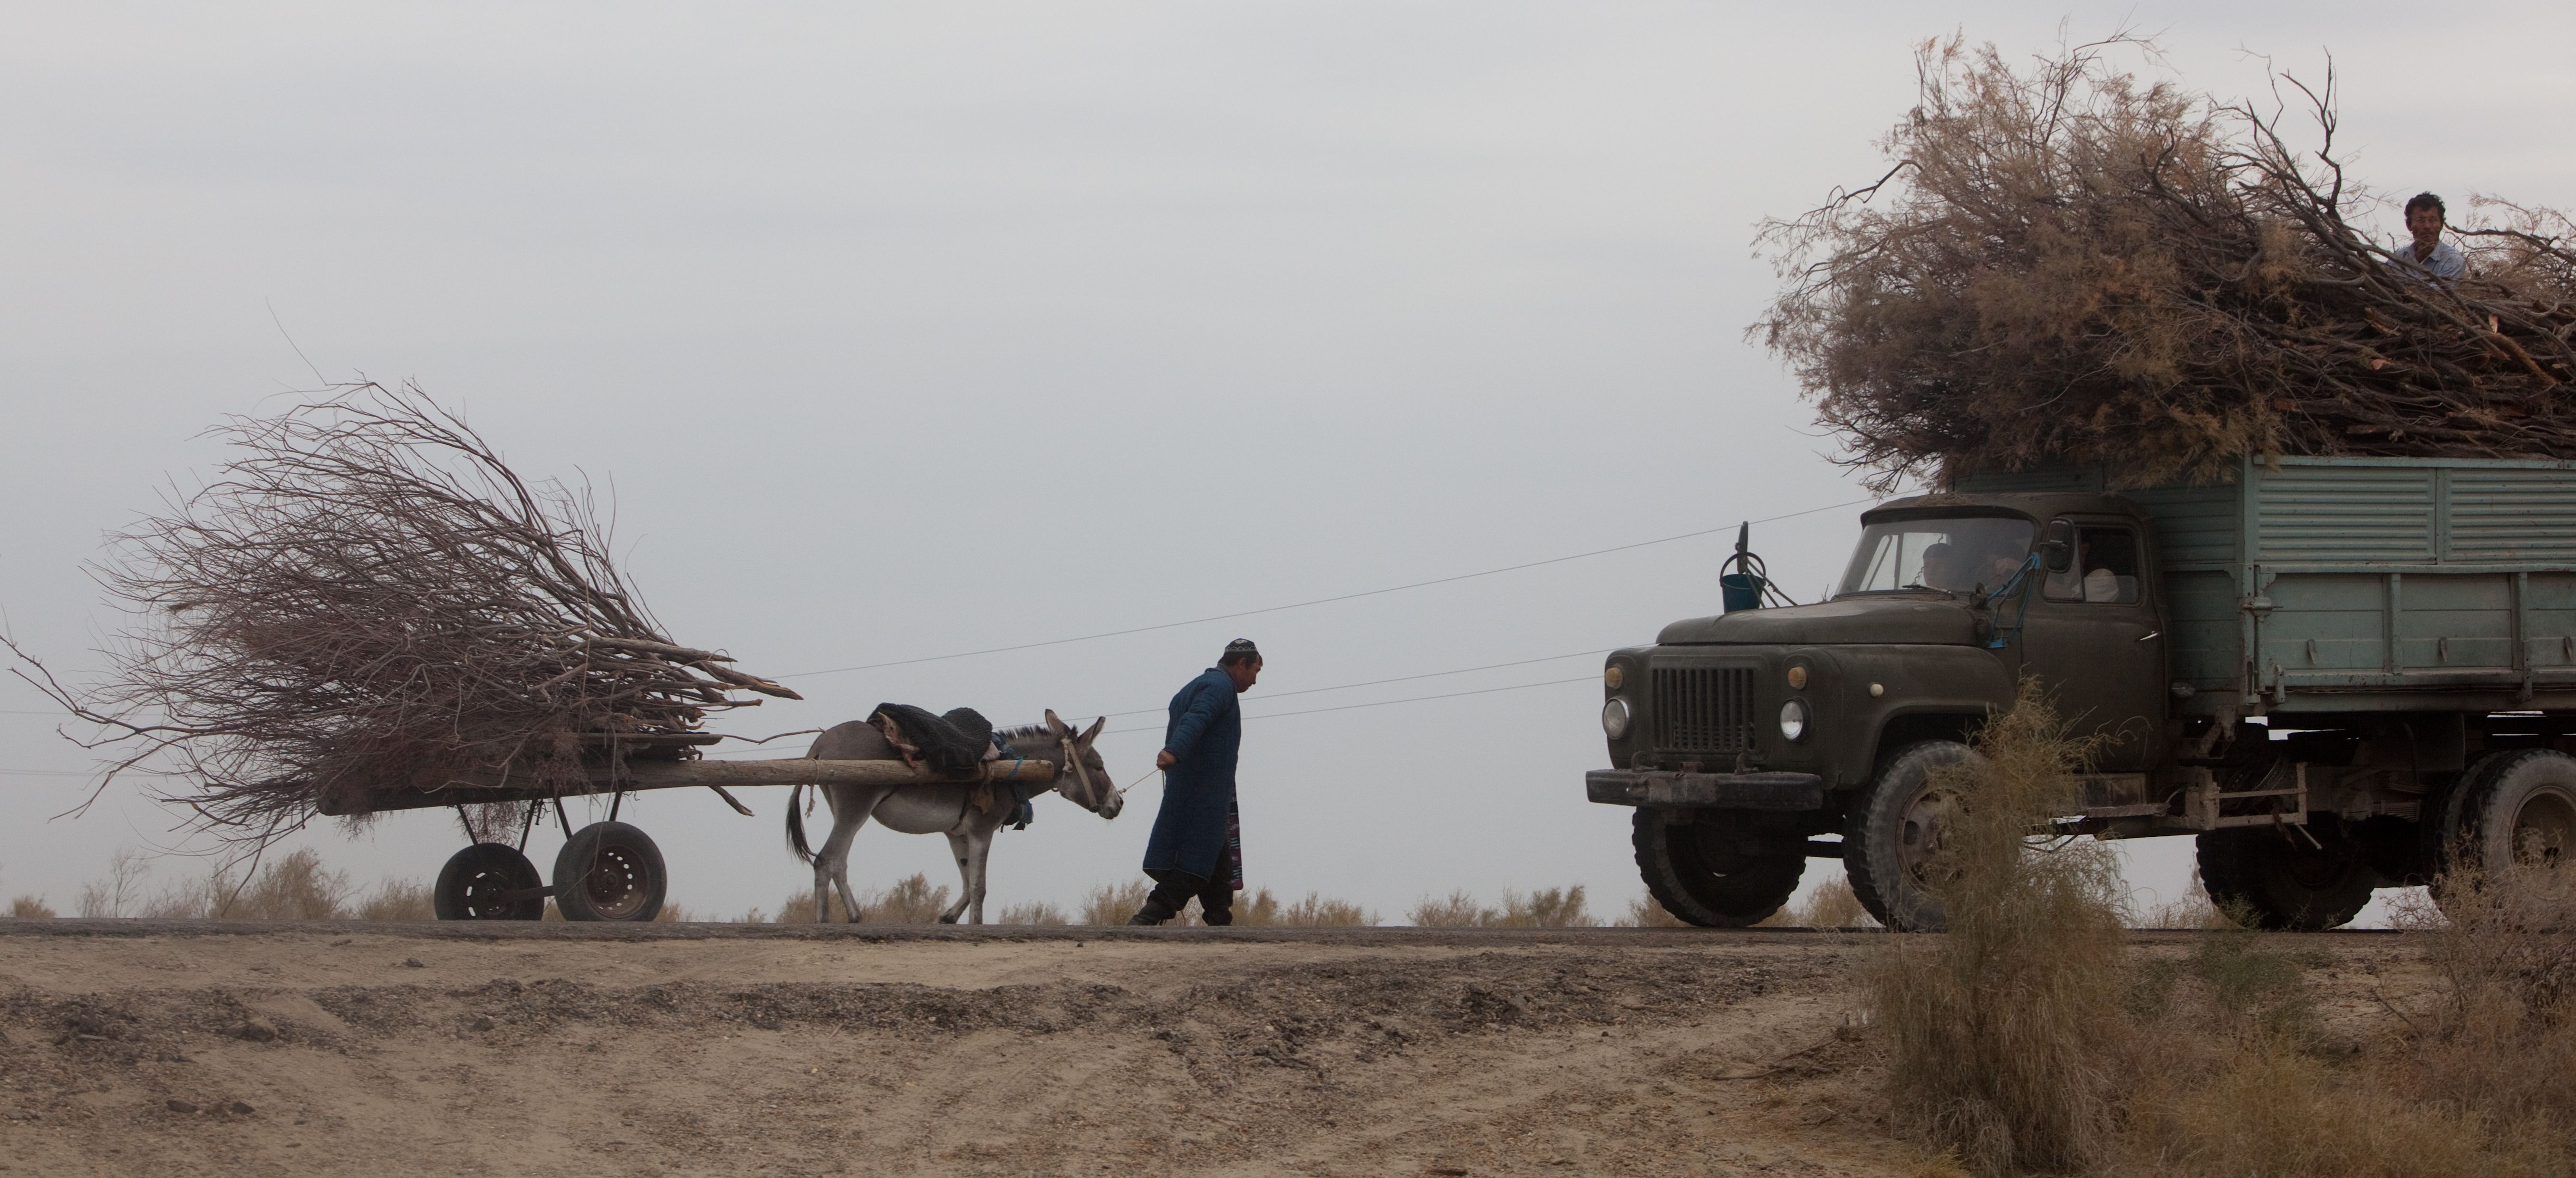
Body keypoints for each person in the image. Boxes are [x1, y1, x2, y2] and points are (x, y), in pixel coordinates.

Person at [1129, 638, 1263, 926]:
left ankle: (1219, 922)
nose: (1255, 680)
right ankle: (1146, 918)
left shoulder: (1194, 686)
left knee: (1218, 863)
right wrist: (1174, 750)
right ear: (1241, 664)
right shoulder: (1219, 688)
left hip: (1196, 790)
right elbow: (1197, 718)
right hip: (1204, 794)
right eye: (1256, 671)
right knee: (1193, 864)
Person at [2394, 192, 2467, 281]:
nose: (2427, 226)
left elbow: (2439, 294)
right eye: (2420, 220)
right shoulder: (2398, 259)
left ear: (2441, 225)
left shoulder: (2453, 261)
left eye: (2433, 220)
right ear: (2409, 225)